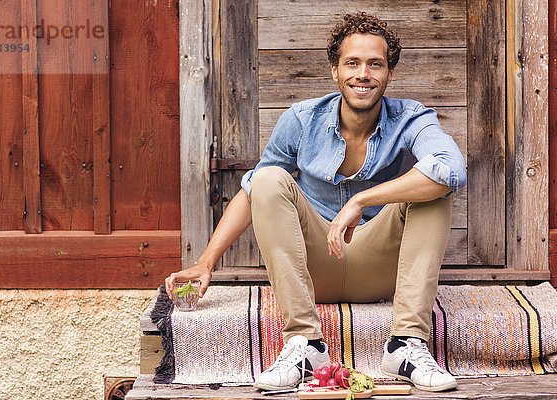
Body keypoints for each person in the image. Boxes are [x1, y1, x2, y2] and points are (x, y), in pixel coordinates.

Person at [165, 11, 465, 393]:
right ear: (335, 71)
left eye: (376, 64)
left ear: (390, 73)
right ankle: (305, 344)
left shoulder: (411, 118)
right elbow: (253, 190)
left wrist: (362, 200)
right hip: (315, 267)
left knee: (435, 187)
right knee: (268, 178)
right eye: (352, 63)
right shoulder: (302, 120)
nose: (363, 74)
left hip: (380, 266)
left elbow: (450, 170)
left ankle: (405, 344)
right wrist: (206, 262)